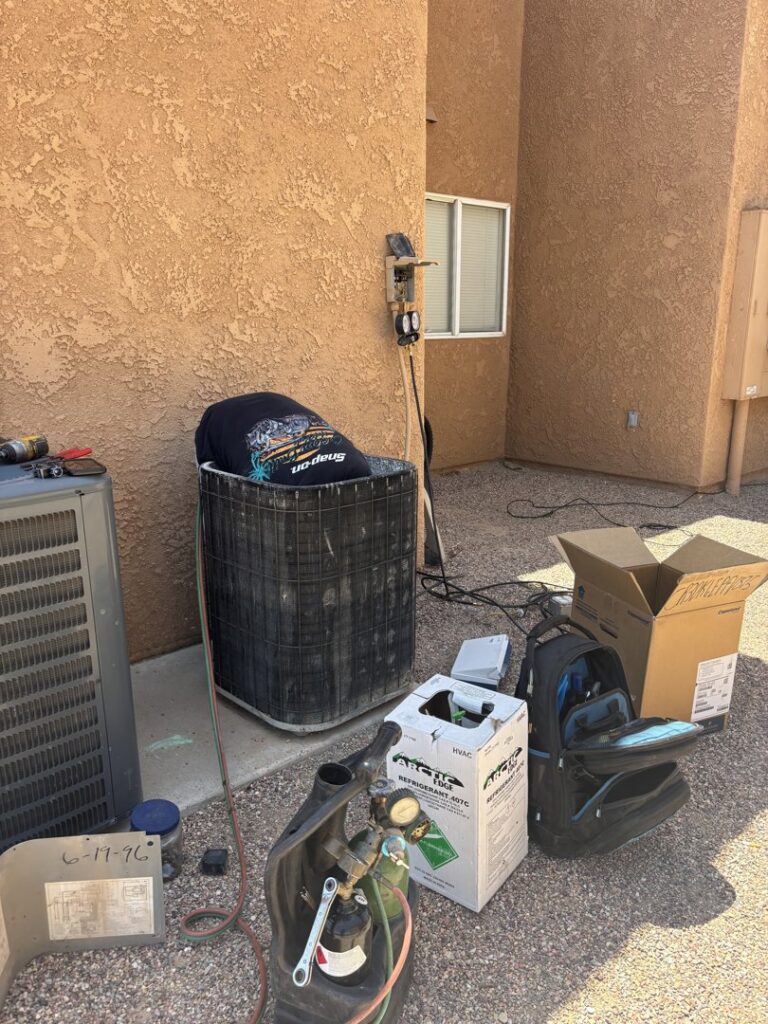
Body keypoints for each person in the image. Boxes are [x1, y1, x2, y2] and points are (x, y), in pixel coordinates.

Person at [195, 393, 371, 485]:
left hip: (286, 490)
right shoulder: (220, 422)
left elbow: (211, 480)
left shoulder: (215, 425)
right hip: (356, 469)